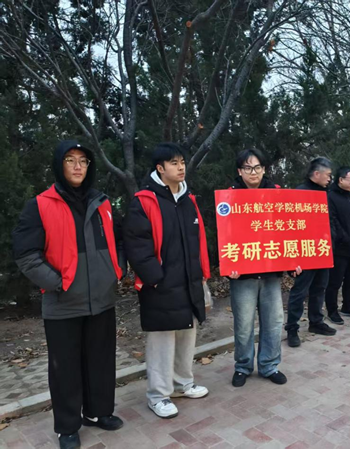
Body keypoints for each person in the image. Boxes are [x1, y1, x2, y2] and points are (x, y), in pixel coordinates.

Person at [13, 140, 125, 449]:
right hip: (62, 304)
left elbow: (118, 241)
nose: (77, 166)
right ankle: (67, 426)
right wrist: (58, 282)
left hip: (102, 300)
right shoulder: (40, 205)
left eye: (83, 161)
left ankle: (98, 412)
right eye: (70, 160)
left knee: (101, 362)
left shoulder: (102, 203)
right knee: (65, 370)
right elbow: (26, 255)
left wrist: (117, 271)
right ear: (59, 165)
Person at [123, 143, 210, 419]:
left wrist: (202, 275)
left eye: (182, 161)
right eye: (174, 163)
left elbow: (199, 241)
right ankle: (158, 395)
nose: (181, 167)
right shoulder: (144, 201)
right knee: (161, 342)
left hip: (189, 282)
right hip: (160, 285)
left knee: (186, 335)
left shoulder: (188, 200)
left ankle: (183, 384)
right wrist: (156, 279)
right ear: (160, 168)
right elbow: (136, 245)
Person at [226, 148, 301, 387]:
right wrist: (229, 265)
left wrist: (292, 263)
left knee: (274, 322)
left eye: (257, 167)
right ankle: (243, 366)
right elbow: (224, 235)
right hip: (243, 275)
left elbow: (287, 230)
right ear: (240, 171)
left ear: (264, 169)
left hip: (270, 273)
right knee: (243, 325)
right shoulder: (229, 197)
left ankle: (269, 365)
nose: (253, 172)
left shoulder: (276, 194)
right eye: (248, 168)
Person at [286, 157, 337, 347]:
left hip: (322, 249)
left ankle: (316, 322)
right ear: (316, 174)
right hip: (304, 252)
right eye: (328, 175)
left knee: (319, 288)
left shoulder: (326, 193)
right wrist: (292, 259)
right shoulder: (300, 193)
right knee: (300, 291)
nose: (330, 179)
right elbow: (291, 226)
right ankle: (292, 328)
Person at [325, 166, 350, 325]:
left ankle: (348, 306)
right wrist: (342, 238)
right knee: (334, 282)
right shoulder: (331, 197)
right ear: (341, 180)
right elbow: (332, 221)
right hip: (340, 249)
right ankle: (332, 311)